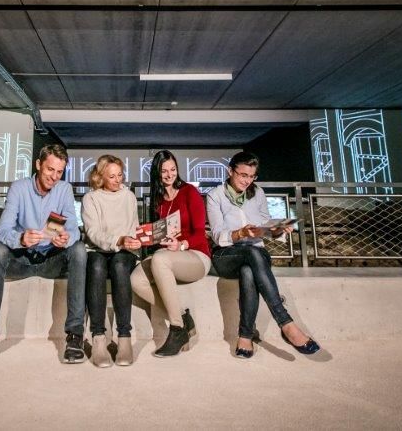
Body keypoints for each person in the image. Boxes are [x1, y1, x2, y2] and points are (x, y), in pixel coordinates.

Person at [0, 143, 87, 367]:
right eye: (50, 169)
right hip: (21, 258)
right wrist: (20, 239)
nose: (54, 177)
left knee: (78, 249)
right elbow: (2, 231)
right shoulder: (19, 188)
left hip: (51, 259)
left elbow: (73, 229)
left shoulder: (64, 189)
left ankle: (75, 335)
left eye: (59, 172)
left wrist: (66, 238)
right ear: (38, 164)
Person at [206, 151, 320, 359]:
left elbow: (266, 227)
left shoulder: (257, 193)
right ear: (230, 171)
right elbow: (217, 236)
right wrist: (241, 233)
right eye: (243, 175)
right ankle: (285, 323)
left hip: (256, 255)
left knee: (249, 270)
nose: (247, 181)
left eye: (252, 176)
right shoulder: (215, 195)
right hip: (226, 256)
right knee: (250, 254)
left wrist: (277, 230)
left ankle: (245, 335)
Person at [131, 149, 210, 357]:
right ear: (157, 173)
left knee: (159, 259)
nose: (169, 174)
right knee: (136, 280)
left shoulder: (190, 192)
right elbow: (161, 234)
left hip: (196, 256)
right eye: (164, 171)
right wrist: (147, 238)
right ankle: (183, 318)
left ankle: (176, 329)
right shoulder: (159, 200)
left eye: (173, 169)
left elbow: (200, 233)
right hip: (168, 256)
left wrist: (182, 244)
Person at [81, 155, 142, 367]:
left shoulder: (129, 196)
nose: (117, 180)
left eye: (120, 175)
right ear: (100, 177)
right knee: (97, 266)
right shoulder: (91, 198)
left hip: (124, 251)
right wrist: (118, 240)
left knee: (119, 265)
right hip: (98, 248)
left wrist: (133, 241)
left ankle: (124, 337)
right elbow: (93, 233)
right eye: (112, 176)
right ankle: (98, 338)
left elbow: (134, 228)